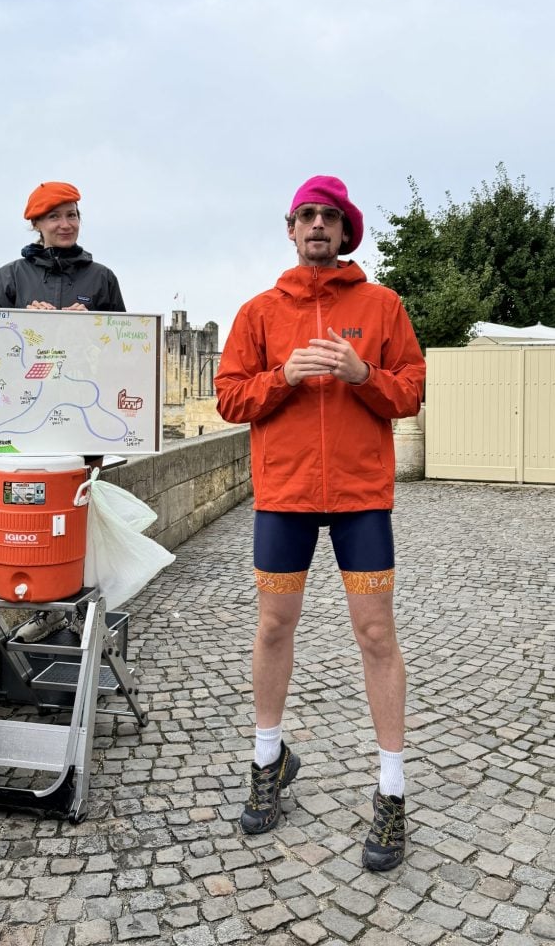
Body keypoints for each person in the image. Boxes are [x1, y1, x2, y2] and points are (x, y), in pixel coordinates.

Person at [214, 175, 425, 871]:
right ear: (289, 227)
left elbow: (413, 390)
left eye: (328, 217)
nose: (316, 226)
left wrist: (365, 374)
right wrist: (284, 378)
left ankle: (391, 791)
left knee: (375, 634)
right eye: (305, 215)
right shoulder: (258, 313)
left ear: (345, 230)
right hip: (285, 497)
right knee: (274, 625)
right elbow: (230, 400)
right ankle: (267, 759)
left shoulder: (382, 305)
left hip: (362, 497)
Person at [0, 181, 126, 312]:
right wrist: (24, 321)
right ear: (36, 223)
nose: (65, 225)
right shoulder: (10, 277)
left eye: (71, 215)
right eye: (54, 216)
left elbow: (121, 335)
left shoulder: (103, 278)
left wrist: (89, 323)